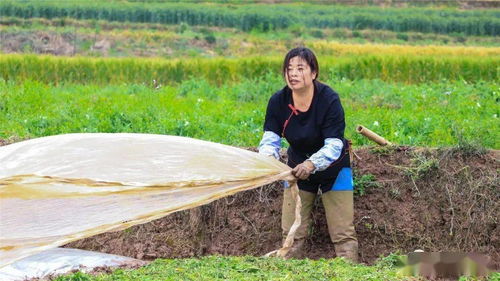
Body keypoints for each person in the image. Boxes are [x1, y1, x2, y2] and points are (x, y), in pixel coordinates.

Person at [258, 47, 358, 262]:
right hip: (296, 169)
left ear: (313, 73)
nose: (293, 74)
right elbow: (270, 138)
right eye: (289, 69)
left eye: (300, 68)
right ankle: (290, 271)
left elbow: (334, 144)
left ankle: (350, 270)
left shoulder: (328, 99)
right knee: (292, 233)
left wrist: (312, 164)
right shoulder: (278, 101)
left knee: (343, 234)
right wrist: (267, 160)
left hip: (334, 168)